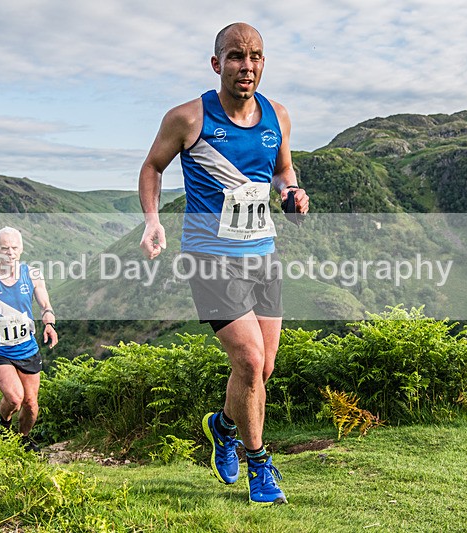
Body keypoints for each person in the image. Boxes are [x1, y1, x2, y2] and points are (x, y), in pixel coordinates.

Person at [138, 22, 309, 505]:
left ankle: (224, 425)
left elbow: (282, 171)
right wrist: (153, 221)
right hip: (210, 258)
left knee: (264, 367)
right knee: (250, 361)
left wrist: (291, 192)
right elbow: (152, 167)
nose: (247, 65)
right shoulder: (188, 118)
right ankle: (260, 466)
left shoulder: (278, 115)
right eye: (236, 56)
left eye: (255, 56)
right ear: (217, 64)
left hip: (263, 255)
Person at [0, 226, 58, 453]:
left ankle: (22, 439)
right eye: (5, 248)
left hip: (27, 347)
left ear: (22, 249)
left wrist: (49, 324)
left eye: (14, 248)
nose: (10, 253)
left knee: (31, 404)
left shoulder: (33, 275)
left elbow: (45, 305)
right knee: (15, 399)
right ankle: (4, 426)